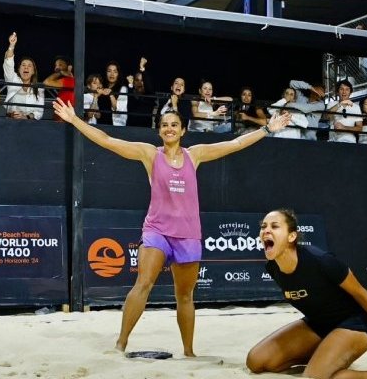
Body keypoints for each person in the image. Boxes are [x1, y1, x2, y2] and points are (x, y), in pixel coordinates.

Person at [51, 98, 292, 356]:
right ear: (159, 130)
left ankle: (188, 352)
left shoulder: (195, 155)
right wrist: (75, 119)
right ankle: (121, 343)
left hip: (188, 236)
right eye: (165, 125)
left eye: (174, 124)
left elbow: (234, 144)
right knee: (143, 283)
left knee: (185, 296)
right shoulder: (150, 154)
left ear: (183, 130)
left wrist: (267, 129)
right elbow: (108, 141)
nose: (169, 128)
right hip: (157, 231)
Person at [246, 209, 367, 378]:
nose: (266, 230)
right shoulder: (273, 268)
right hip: (319, 324)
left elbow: (361, 294)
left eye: (274, 226)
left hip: (355, 322)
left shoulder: (320, 261)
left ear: (292, 236)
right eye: (263, 227)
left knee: (314, 377)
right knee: (256, 361)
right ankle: (325, 358)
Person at [2, 33, 44, 120]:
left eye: (29, 66)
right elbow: (8, 64)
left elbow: (39, 113)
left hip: (29, 126)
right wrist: (11, 45)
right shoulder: (12, 80)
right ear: (19, 69)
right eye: (23, 65)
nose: (26, 67)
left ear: (33, 71)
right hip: (10, 123)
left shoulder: (39, 89)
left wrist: (26, 117)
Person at [325, 79, 362, 144]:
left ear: (350, 92)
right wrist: (340, 104)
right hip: (333, 140)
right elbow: (326, 116)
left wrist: (344, 128)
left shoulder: (356, 107)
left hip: (349, 141)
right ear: (337, 92)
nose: (344, 92)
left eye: (347, 89)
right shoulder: (331, 104)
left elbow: (359, 128)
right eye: (341, 89)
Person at [103, 61, 129, 126]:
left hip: (116, 126)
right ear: (105, 73)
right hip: (101, 124)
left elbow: (118, 110)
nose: (112, 74)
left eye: (115, 72)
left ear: (118, 74)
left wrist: (111, 94)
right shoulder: (102, 87)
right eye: (109, 71)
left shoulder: (122, 89)